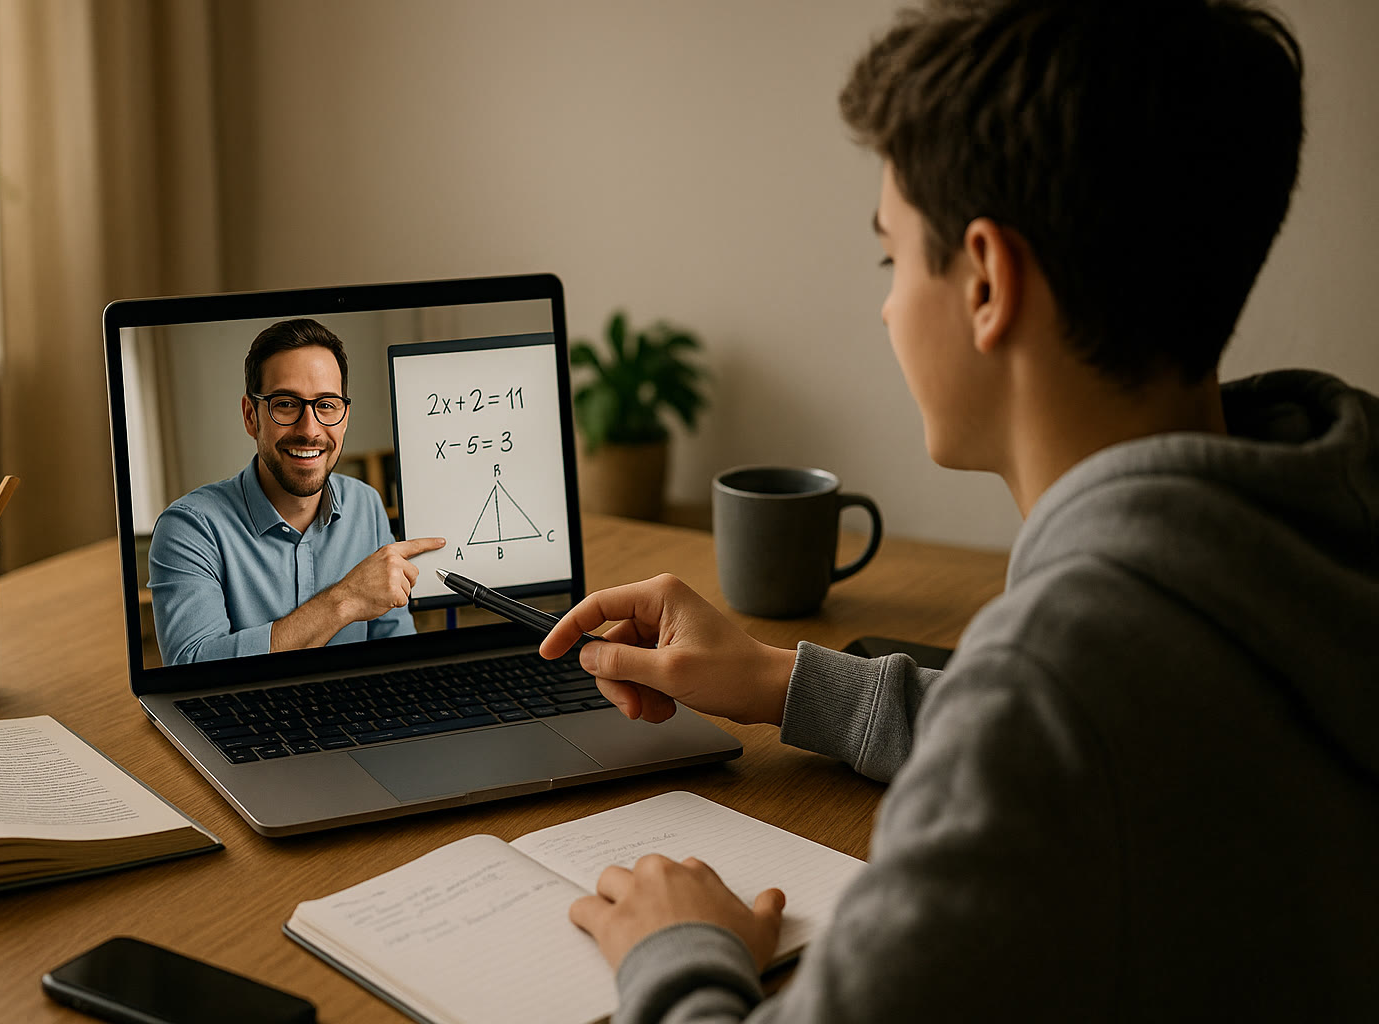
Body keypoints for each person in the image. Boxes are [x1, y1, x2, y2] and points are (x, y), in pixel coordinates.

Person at [541, 1, 1379, 1019]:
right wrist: (778, 680)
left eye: (893, 256)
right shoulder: (1321, 512)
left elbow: (1051, 725)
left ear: (986, 279)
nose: (888, 306)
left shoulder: (1058, 686)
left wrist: (678, 949)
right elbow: (1099, 740)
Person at [149, 318, 443, 665]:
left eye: (326, 405)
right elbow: (191, 667)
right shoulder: (188, 528)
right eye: (286, 404)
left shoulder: (366, 504)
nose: (310, 429)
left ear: (345, 416)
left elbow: (396, 647)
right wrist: (344, 600)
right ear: (250, 416)